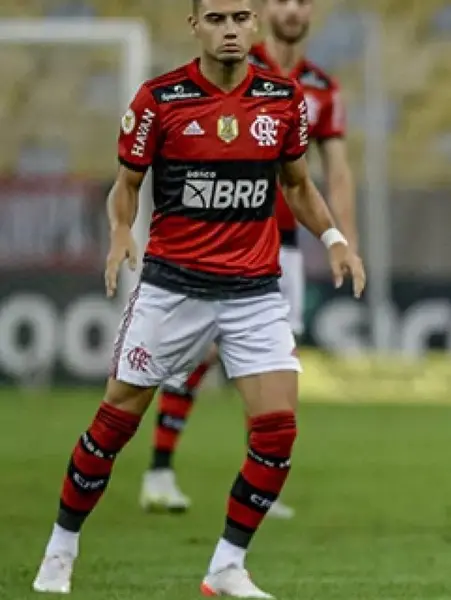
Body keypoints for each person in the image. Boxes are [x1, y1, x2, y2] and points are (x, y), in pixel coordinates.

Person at [31, 0, 365, 596]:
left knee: (277, 432)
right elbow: (126, 186)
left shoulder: (282, 100)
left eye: (240, 17)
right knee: (112, 425)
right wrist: (117, 234)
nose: (230, 29)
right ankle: (61, 549)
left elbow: (298, 185)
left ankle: (226, 567)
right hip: (171, 290)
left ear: (254, 25)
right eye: (216, 18)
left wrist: (335, 238)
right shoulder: (159, 100)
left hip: (255, 294)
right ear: (195, 26)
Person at [140, 0, 356, 522]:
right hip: (221, 237)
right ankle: (159, 469)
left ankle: (258, 483)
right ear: (263, 12)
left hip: (280, 241)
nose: (294, 10)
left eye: (303, 2)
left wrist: (342, 239)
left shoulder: (321, 88)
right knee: (198, 353)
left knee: (271, 360)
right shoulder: (235, 65)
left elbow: (336, 172)